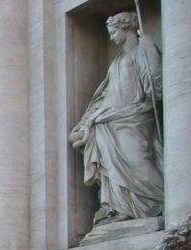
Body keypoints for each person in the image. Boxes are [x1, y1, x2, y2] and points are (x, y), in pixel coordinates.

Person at [69, 12, 163, 225]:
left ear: (127, 29)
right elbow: (103, 95)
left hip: (135, 115)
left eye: (113, 32)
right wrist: (85, 123)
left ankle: (155, 201)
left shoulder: (143, 49)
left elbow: (154, 83)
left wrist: (150, 55)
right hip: (109, 119)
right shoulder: (118, 60)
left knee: (138, 159)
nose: (111, 37)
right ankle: (119, 209)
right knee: (111, 166)